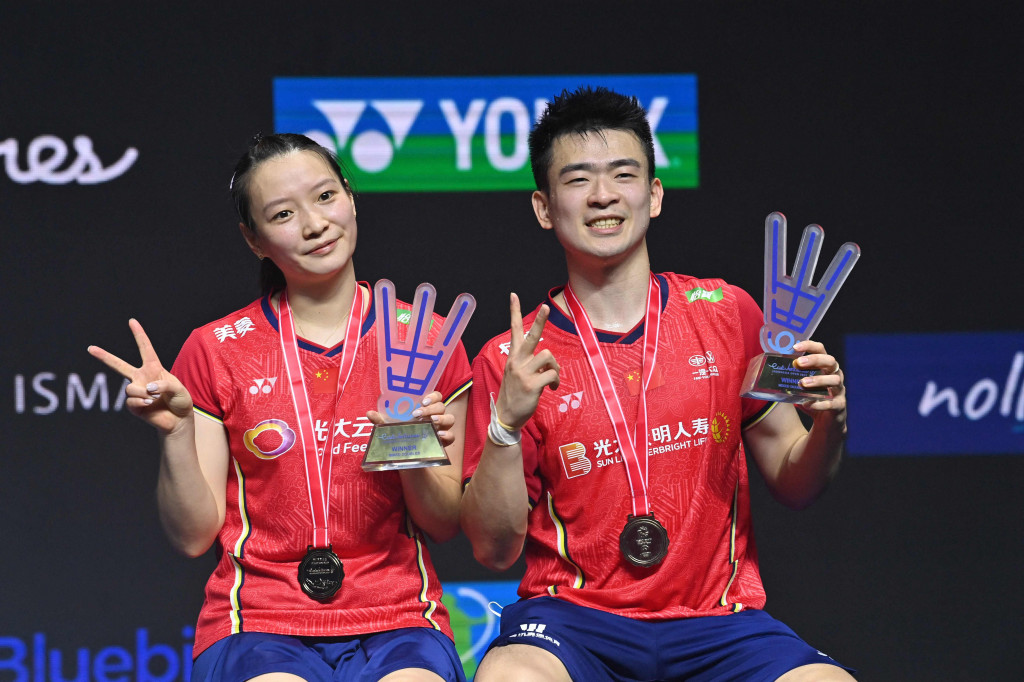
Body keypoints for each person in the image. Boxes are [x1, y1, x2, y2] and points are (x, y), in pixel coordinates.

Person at [460, 87, 856, 681]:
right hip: (573, 622)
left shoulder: (728, 314)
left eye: (623, 174)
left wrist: (831, 422)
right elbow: (494, 549)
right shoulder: (511, 359)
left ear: (655, 194)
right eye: (577, 180)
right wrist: (503, 425)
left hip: (718, 624)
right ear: (544, 207)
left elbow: (795, 481)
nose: (603, 196)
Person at [89, 133, 470, 682]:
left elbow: (444, 522)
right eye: (284, 213)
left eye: (324, 197)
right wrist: (173, 435)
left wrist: (408, 446)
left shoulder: (424, 339)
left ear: (351, 197)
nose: (314, 224)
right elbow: (193, 535)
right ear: (254, 240)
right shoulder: (215, 348)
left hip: (399, 618)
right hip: (258, 622)